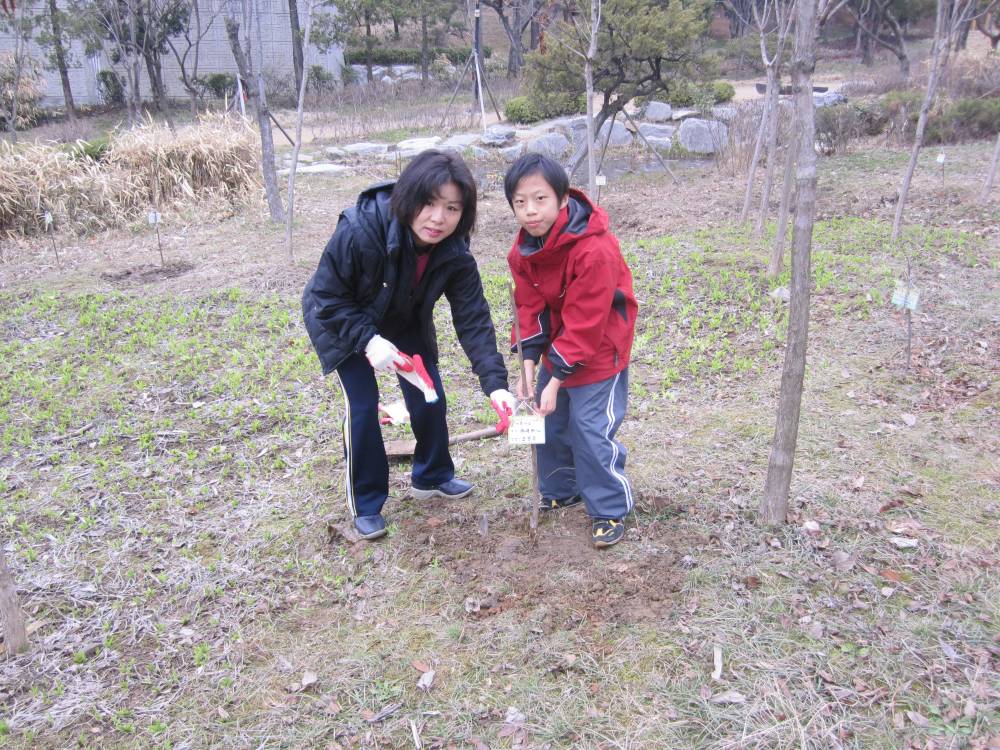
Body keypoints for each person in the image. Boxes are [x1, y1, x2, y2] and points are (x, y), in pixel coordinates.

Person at [302, 150, 517, 540]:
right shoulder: (361, 228)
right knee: (363, 404)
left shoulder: (455, 251)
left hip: (402, 315)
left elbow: (473, 318)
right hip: (341, 317)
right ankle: (366, 503)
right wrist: (368, 341)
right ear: (409, 197)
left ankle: (432, 475)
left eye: (452, 208)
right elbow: (327, 298)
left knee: (429, 392)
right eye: (429, 203)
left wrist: (496, 385)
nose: (438, 218)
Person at [504, 153, 638, 548]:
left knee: (589, 429)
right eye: (520, 202)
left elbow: (586, 320)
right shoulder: (523, 252)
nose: (530, 211)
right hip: (558, 347)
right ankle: (562, 490)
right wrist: (529, 368)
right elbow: (529, 308)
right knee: (548, 421)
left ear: (563, 198)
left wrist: (555, 380)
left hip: (600, 349)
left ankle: (609, 508)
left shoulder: (595, 249)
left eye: (540, 199)